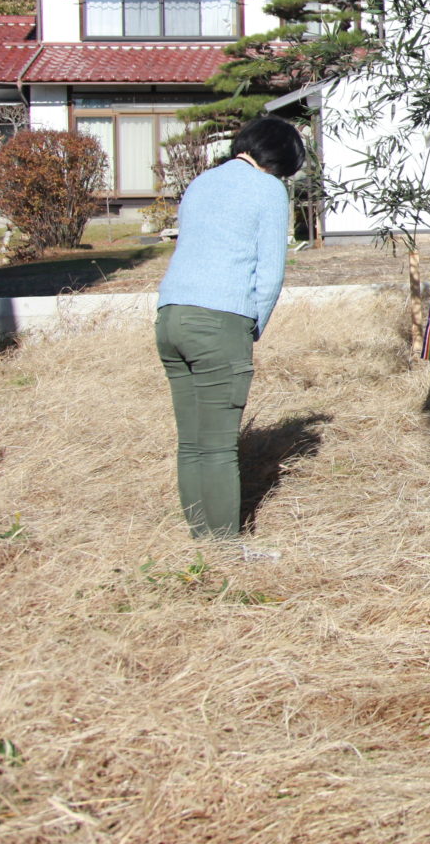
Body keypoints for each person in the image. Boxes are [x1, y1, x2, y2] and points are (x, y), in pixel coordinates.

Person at [155, 116, 304, 542]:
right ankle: (222, 548)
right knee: (219, 447)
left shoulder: (201, 182)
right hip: (220, 320)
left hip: (170, 316)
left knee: (192, 442)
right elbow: (271, 273)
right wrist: (252, 324)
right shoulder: (267, 189)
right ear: (277, 159)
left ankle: (199, 535)